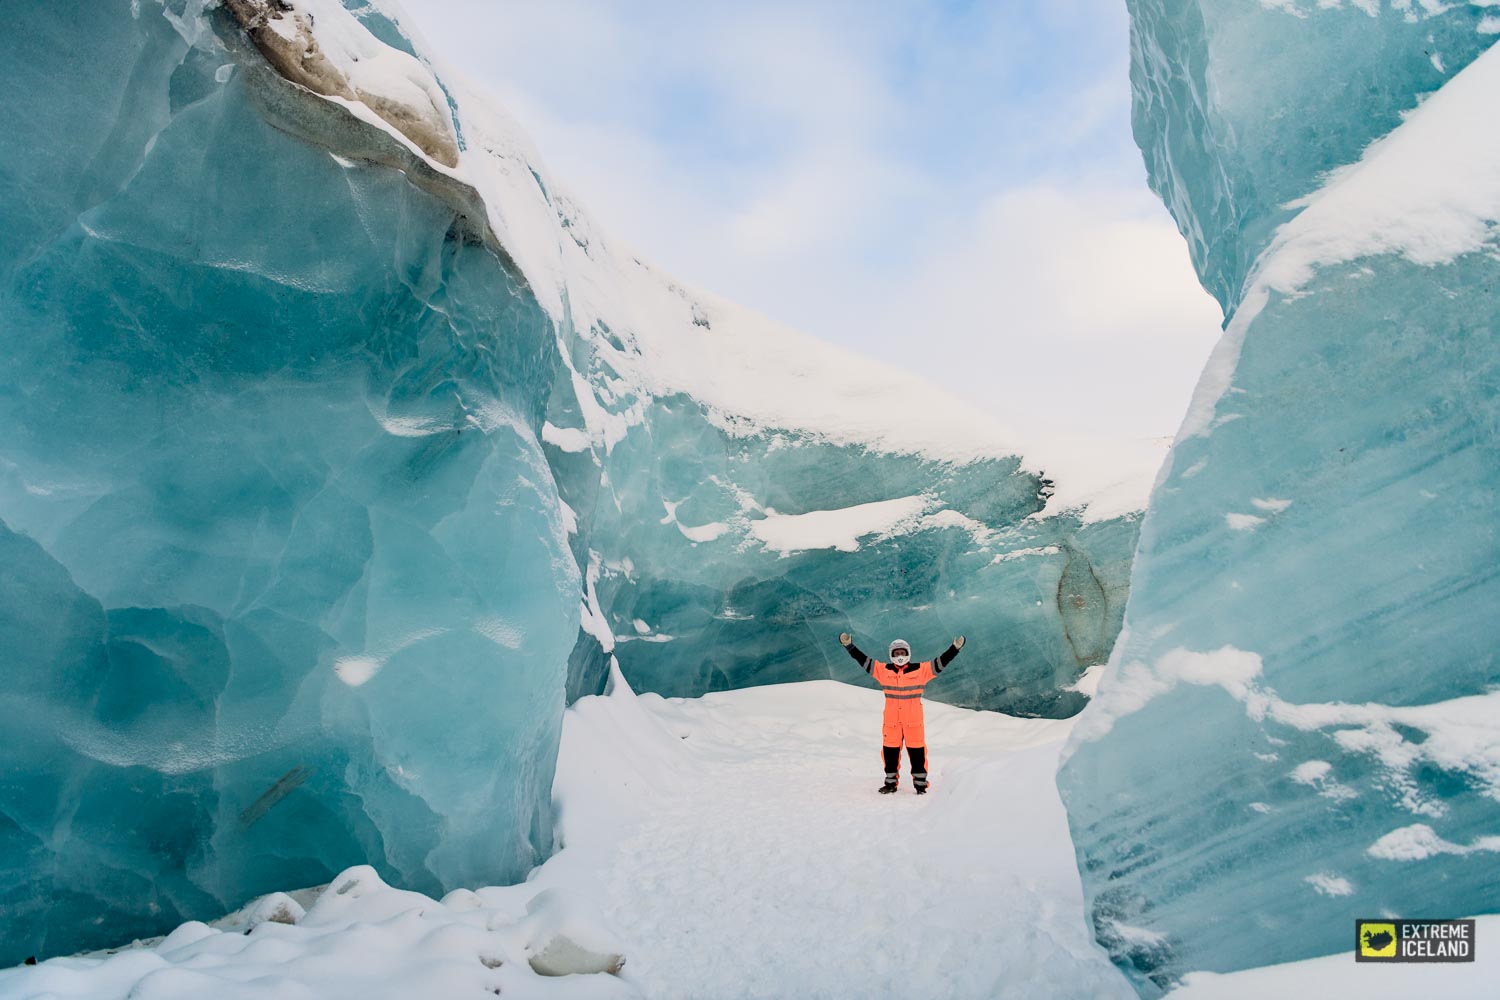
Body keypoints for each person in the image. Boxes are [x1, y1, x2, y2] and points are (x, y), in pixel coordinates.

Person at [839, 633, 965, 794]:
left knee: (917, 754)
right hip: (892, 722)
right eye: (896, 653)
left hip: (913, 722)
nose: (900, 656)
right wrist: (849, 646)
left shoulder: (921, 670)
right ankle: (890, 784)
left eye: (902, 653)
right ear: (891, 655)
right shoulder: (883, 671)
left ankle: (920, 785)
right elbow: (863, 660)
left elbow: (941, 662)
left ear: (908, 653)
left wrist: (955, 648)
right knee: (889, 754)